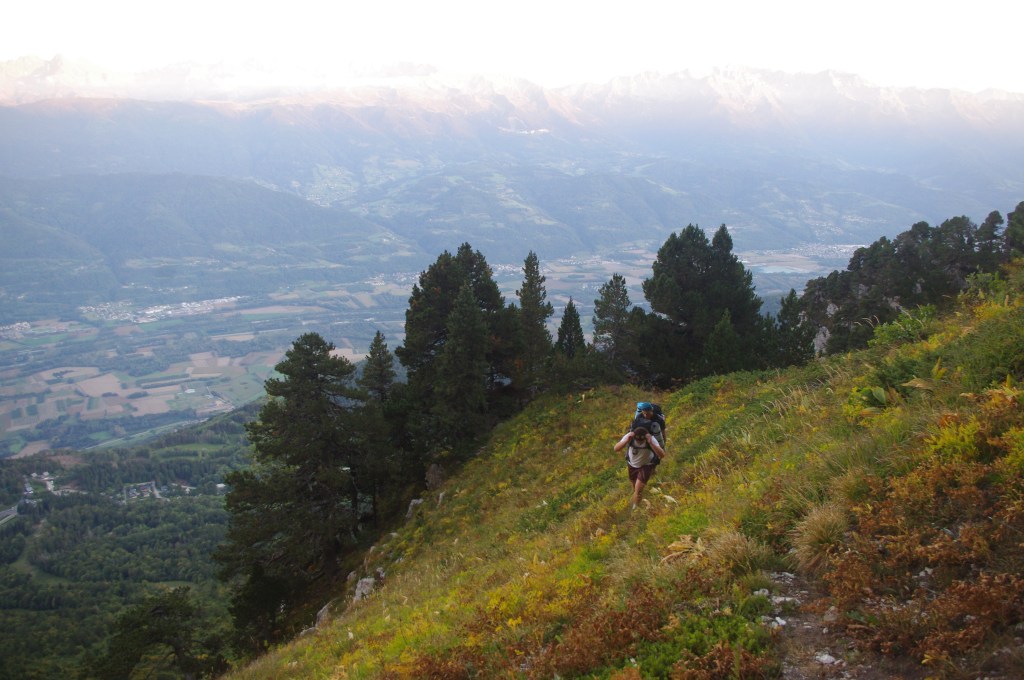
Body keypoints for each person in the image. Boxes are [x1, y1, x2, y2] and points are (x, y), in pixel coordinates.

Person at [613, 424, 665, 511]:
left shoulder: (651, 439)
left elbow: (662, 454)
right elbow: (616, 448)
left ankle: (635, 509)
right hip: (632, 465)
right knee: (635, 488)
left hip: (646, 465)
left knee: (638, 489)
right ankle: (638, 504)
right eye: (637, 440)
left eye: (642, 440)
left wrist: (651, 443)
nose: (639, 442)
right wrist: (626, 441)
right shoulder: (629, 437)